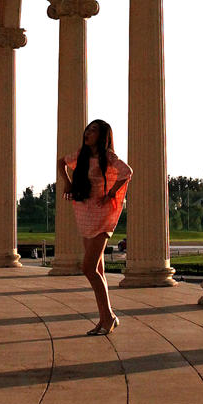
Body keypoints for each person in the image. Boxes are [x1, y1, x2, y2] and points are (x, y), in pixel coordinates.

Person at [57, 119, 132, 335]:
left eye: (94, 130)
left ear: (103, 135)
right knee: (98, 270)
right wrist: (67, 182)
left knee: (88, 268)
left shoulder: (107, 156)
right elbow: (61, 161)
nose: (88, 132)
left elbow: (127, 172)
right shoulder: (81, 154)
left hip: (102, 215)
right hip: (84, 212)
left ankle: (107, 317)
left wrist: (111, 192)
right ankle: (106, 318)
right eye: (88, 129)